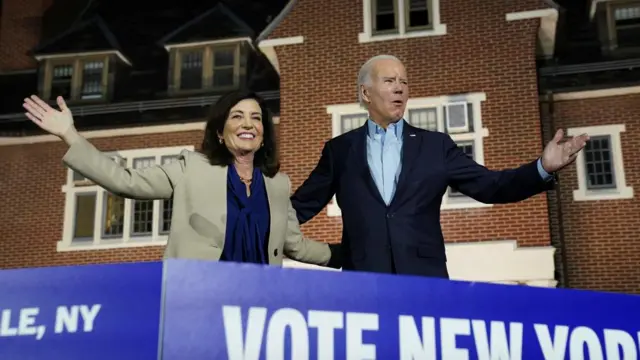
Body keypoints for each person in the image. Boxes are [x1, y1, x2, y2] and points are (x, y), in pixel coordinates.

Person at [290, 54, 589, 278]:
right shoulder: (340, 150)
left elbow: (491, 186)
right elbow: (301, 207)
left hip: (425, 280)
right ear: (366, 93)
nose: (400, 89)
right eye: (390, 81)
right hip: (363, 281)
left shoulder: (435, 146)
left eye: (404, 82)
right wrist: (251, 225)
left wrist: (543, 168)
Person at [23, 90, 340, 268]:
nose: (248, 123)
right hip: (197, 299)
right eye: (237, 116)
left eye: (256, 118)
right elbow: (125, 180)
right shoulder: (191, 167)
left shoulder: (277, 184)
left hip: (259, 305)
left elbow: (295, 246)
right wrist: (69, 133)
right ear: (219, 132)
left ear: (263, 135)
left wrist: (351, 253)